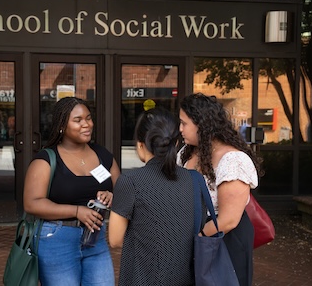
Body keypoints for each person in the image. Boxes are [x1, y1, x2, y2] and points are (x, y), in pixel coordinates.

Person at [23, 97, 120, 286]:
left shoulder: (103, 155)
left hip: (95, 239)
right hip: (56, 240)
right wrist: (76, 211)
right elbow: (32, 203)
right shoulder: (46, 159)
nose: (87, 124)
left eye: (89, 118)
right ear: (61, 126)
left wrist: (112, 196)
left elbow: (123, 192)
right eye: (78, 120)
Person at [108, 107, 201, 286]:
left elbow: (115, 239)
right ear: (175, 144)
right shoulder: (194, 179)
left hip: (142, 278)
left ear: (140, 144)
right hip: (186, 279)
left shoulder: (130, 181)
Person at [178, 93, 262, 286]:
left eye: (184, 123)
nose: (180, 129)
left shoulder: (233, 160)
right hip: (195, 235)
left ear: (202, 124)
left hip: (224, 240)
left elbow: (228, 220)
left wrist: (197, 239)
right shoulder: (185, 153)